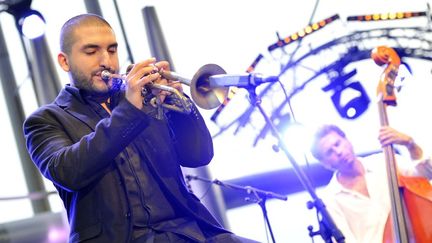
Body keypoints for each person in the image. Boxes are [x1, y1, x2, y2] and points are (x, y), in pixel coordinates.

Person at [23, 14, 258, 243]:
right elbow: (69, 171)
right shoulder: (45, 120)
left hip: (188, 231)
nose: (106, 60)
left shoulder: (144, 100)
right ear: (65, 61)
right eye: (92, 51)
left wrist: (176, 102)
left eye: (112, 50)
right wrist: (130, 110)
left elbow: (198, 156)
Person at [310, 124, 432, 243]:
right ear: (325, 164)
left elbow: (427, 172)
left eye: (337, 143)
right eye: (329, 152)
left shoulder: (384, 161)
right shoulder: (330, 200)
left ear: (347, 140)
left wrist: (410, 144)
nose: (338, 152)